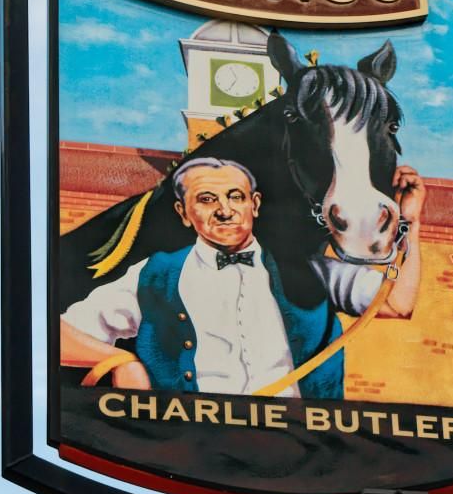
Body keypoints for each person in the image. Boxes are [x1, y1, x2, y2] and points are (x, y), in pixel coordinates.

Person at [60, 157, 424, 398]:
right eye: (206, 199)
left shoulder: (309, 271)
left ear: (255, 204)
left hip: (304, 448)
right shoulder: (156, 274)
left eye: (236, 196)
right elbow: (55, 336)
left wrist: (413, 223)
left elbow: (398, 302)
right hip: (189, 447)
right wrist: (120, 361)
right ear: (183, 213)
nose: (224, 209)